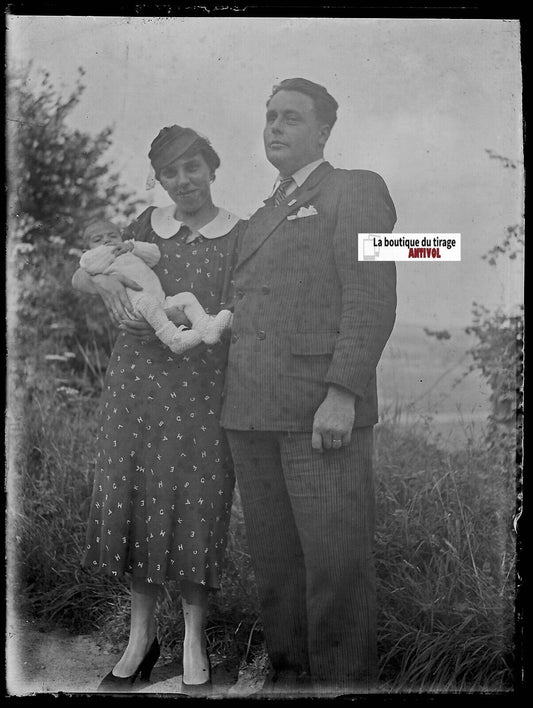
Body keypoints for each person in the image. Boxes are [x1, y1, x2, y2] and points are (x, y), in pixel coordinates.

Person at [220, 78, 397, 696]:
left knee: (336, 567)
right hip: (251, 413)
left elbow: (373, 297)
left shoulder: (356, 189)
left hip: (320, 410)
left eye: (291, 117)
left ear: (323, 131)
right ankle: (289, 679)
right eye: (269, 116)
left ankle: (343, 686)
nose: (275, 127)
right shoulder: (261, 212)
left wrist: (343, 393)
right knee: (275, 566)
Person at [72, 125, 242, 694]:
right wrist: (107, 292)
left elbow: (241, 308)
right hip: (136, 385)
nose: (183, 180)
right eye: (170, 172)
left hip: (200, 388)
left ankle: (194, 638)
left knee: (198, 499)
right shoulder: (146, 227)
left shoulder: (237, 234)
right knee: (140, 497)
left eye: (193, 167)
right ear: (160, 179)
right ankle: (141, 639)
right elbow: (84, 270)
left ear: (212, 168)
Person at [79, 218, 233, 354]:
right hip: (135, 305)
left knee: (187, 298)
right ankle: (174, 339)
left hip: (161, 300)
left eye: (112, 236)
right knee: (148, 302)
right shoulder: (95, 259)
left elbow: (155, 256)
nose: (107, 240)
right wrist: (106, 250)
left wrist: (132, 246)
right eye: (98, 239)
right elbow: (88, 264)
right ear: (87, 249)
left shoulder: (129, 251)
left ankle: (206, 328)